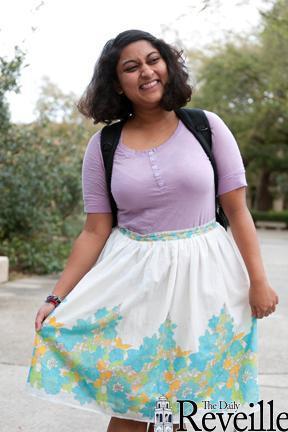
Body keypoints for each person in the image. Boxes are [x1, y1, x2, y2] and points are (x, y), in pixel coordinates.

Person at [25, 29, 279, 432]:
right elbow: (94, 231)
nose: (146, 71)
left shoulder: (207, 127)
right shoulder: (104, 145)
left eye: (153, 60)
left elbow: (237, 210)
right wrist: (58, 296)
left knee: (188, 411)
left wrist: (258, 281)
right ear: (118, 83)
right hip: (134, 284)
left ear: (167, 65)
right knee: (130, 405)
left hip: (206, 282)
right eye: (131, 66)